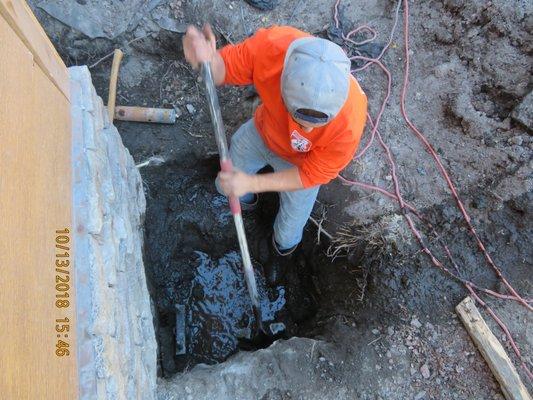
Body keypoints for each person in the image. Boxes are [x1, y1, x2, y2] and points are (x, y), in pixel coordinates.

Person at [183, 24, 367, 285]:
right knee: (228, 186)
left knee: (289, 231)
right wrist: (207, 61)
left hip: (303, 165)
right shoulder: (271, 48)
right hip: (264, 133)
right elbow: (223, 70)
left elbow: (312, 174)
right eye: (299, 118)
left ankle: (279, 256)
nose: (305, 130)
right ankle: (243, 207)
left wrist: (252, 182)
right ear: (283, 83)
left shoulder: (350, 122)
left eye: (316, 125)